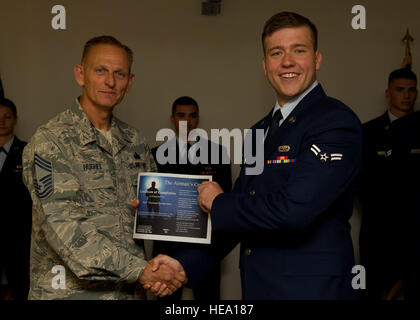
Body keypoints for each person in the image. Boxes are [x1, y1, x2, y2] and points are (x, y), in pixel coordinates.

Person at [149, 11, 362, 300]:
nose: (287, 61)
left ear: (317, 59)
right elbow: (240, 214)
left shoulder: (335, 122)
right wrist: (184, 265)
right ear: (265, 65)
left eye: (298, 50)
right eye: (277, 52)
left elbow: (293, 211)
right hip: (259, 287)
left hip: (311, 291)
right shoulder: (258, 132)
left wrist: (219, 201)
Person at [22, 35, 186, 300]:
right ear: (80, 74)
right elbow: (64, 228)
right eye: (101, 71)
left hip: (129, 293)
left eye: (119, 73)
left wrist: (176, 257)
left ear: (129, 82)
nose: (110, 81)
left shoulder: (136, 141)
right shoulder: (50, 142)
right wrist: (144, 271)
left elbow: (159, 215)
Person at [151, 96, 232, 300]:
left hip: (205, 245)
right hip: (167, 244)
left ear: (198, 118)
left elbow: (226, 201)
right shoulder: (156, 154)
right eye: (181, 115)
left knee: (209, 299)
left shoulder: (217, 153)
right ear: (172, 119)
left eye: (192, 115)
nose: (187, 121)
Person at [358, 68, 418, 299]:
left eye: (411, 90)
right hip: (379, 235)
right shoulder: (368, 132)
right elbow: (360, 184)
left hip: (415, 234)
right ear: (388, 93)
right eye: (400, 89)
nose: (406, 96)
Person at [0, 98, 32, 300]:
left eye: (7, 117)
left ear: (15, 119)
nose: (1, 122)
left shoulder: (29, 152)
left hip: (19, 240)